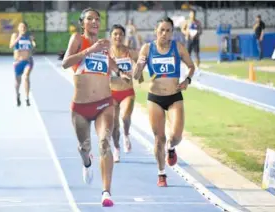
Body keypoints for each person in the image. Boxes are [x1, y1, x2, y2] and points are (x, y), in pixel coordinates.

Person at [61, 8, 130, 207]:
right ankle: (87, 162)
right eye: (89, 18)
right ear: (82, 23)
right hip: (81, 107)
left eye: (97, 19)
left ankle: (106, 192)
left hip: (104, 104)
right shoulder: (77, 39)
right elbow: (66, 63)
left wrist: (120, 72)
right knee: (84, 147)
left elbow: (109, 62)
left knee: (104, 143)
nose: (94, 21)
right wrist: (89, 50)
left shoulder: (104, 44)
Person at [133, 17, 195, 187]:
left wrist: (187, 80)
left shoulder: (178, 48)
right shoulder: (147, 48)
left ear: (172, 33)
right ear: (156, 31)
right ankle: (161, 173)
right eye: (161, 30)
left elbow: (191, 66)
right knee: (158, 138)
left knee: (175, 136)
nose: (164, 33)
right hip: (155, 98)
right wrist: (139, 65)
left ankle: (171, 147)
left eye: (168, 30)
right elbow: (137, 77)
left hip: (174, 95)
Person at [109, 24, 139, 162]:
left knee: (125, 116)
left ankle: (126, 134)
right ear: (111, 36)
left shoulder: (130, 52)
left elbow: (143, 60)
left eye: (120, 34)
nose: (118, 37)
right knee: (114, 126)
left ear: (123, 36)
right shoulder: (107, 54)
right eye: (115, 34)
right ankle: (116, 148)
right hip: (111, 93)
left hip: (127, 91)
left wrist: (138, 71)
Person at [9, 22, 36, 107]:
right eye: (21, 27)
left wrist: (33, 43)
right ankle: (17, 95)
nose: (23, 28)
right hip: (18, 62)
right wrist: (18, 38)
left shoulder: (29, 37)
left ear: (26, 28)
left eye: (24, 27)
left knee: (26, 76)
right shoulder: (15, 35)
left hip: (28, 61)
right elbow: (11, 46)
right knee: (18, 81)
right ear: (18, 28)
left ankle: (27, 98)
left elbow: (33, 45)